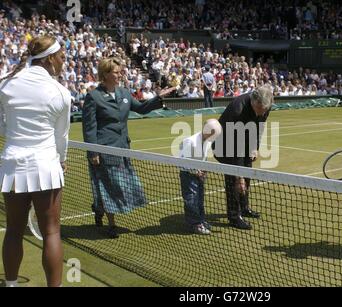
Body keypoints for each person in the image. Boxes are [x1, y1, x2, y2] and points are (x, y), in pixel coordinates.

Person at [0, 35, 71, 287]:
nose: (64, 62)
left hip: (13, 165)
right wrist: (61, 160)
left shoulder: (5, 84)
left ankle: (10, 285)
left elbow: (2, 125)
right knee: (51, 231)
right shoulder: (61, 92)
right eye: (62, 57)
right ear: (50, 58)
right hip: (46, 165)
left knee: (13, 229)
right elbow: (61, 137)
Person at [82, 57, 175, 239]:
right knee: (110, 186)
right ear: (106, 74)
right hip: (104, 150)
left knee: (120, 186)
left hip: (123, 148)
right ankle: (111, 224)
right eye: (116, 72)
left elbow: (140, 108)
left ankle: (98, 208)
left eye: (120, 71)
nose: (120, 74)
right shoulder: (93, 97)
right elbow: (89, 128)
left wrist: (158, 98)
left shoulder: (124, 93)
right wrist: (93, 152)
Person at [213, 86, 273, 230]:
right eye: (259, 109)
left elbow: (260, 126)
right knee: (234, 179)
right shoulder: (238, 111)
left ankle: (244, 208)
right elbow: (235, 149)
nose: (261, 113)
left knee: (247, 175)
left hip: (244, 140)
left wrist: (255, 147)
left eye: (264, 110)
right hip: (225, 145)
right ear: (252, 102)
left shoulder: (266, 105)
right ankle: (234, 217)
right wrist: (238, 177)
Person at [179, 119, 222, 235]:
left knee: (199, 200)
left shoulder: (207, 141)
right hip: (188, 175)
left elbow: (203, 158)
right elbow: (182, 163)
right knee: (191, 199)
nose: (214, 138)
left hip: (199, 175)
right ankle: (195, 224)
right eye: (213, 135)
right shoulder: (190, 142)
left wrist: (203, 170)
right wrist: (195, 171)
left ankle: (201, 221)